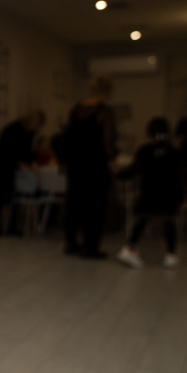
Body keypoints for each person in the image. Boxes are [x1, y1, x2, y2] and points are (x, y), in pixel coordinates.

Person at [116, 117, 182, 269]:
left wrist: (118, 174)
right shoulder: (173, 151)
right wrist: (180, 196)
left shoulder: (145, 150)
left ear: (150, 134)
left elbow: (133, 170)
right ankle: (171, 254)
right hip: (167, 194)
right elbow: (178, 176)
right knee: (168, 221)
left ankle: (130, 248)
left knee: (143, 219)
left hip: (149, 193)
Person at [63, 74, 116, 258]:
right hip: (95, 166)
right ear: (108, 91)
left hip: (76, 165)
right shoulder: (104, 112)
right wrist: (112, 162)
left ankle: (71, 242)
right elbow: (107, 143)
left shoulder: (77, 108)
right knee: (95, 206)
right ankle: (90, 247)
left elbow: (69, 137)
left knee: (74, 204)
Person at [0, 110, 45, 235]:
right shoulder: (14, 130)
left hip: (9, 165)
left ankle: (10, 225)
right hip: (1, 164)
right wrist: (22, 163)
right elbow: (10, 150)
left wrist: (31, 161)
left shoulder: (28, 132)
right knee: (1, 194)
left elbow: (26, 151)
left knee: (11, 194)